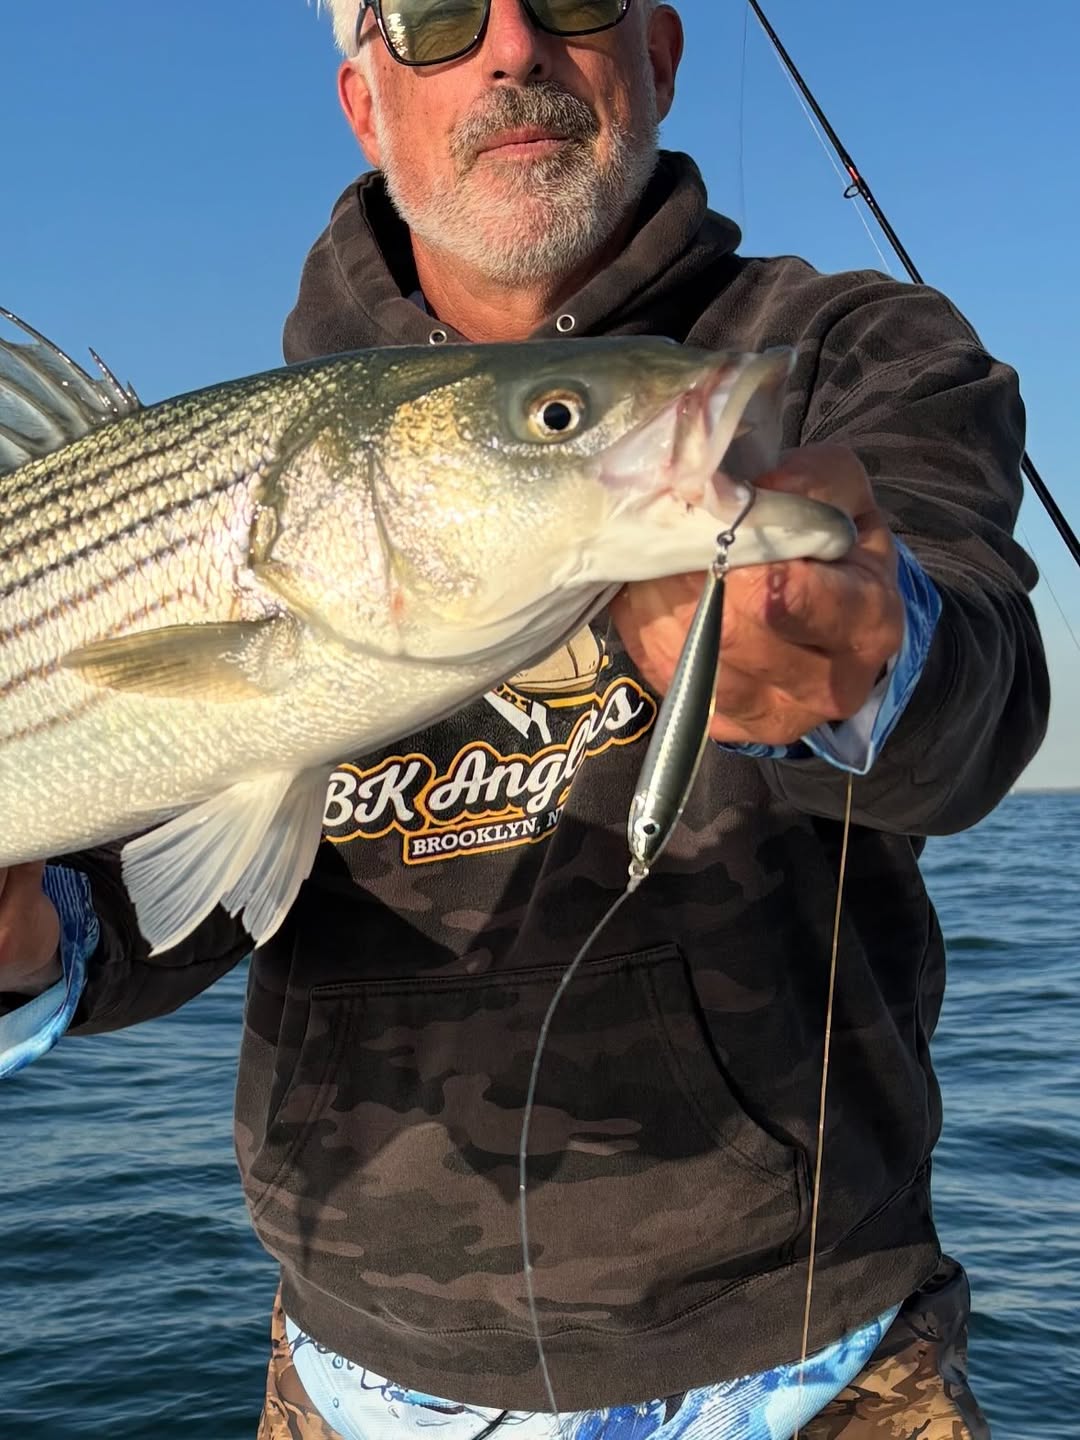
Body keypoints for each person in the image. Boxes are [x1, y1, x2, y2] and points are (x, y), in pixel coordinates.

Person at [0, 2, 1049, 1436]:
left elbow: (979, 690)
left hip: (816, 1367)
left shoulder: (845, 353)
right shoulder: (257, 459)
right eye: (437, 17)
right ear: (365, 106)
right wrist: (31, 942)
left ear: (660, 53)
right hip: (351, 1380)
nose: (512, 49)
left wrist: (872, 654)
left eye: (571, 0)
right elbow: (161, 900)